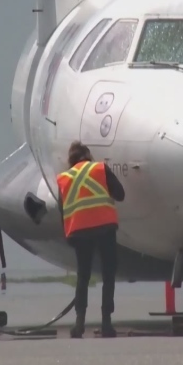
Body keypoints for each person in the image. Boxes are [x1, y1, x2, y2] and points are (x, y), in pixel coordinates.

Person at [56, 141, 126, 338]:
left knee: (83, 276)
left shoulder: (64, 178)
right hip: (105, 227)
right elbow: (120, 194)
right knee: (108, 274)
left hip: (79, 230)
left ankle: (79, 325)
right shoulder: (100, 169)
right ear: (88, 155)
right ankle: (106, 323)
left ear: (71, 160)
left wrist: (69, 236)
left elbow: (62, 211)